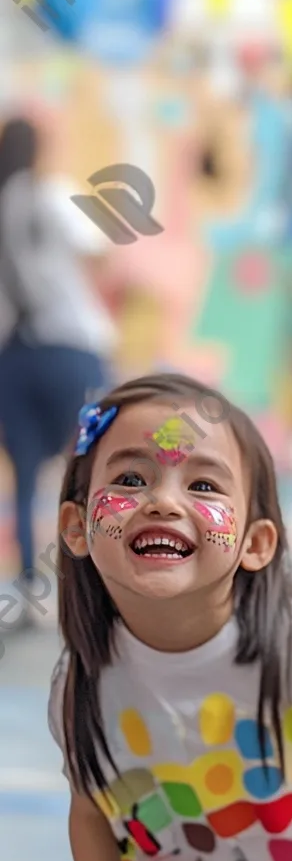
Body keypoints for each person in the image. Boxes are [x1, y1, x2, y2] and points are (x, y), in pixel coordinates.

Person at [48, 373, 292, 861]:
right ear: (77, 526)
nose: (161, 501)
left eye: (204, 485)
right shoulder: (82, 681)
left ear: (255, 543)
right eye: (131, 478)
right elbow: (90, 812)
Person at [0, 116, 115, 611]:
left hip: (13, 353)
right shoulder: (51, 195)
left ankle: (28, 586)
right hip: (71, 347)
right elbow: (99, 248)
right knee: (92, 463)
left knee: (26, 474)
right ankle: (90, 582)